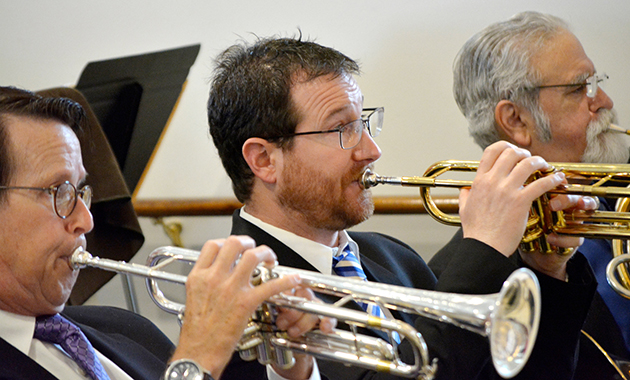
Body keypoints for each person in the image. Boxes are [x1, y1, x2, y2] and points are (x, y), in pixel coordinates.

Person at [207, 35, 598, 380]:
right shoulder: (243, 303)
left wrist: (545, 267)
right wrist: (486, 247)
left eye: (363, 123)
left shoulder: (389, 255)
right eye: (341, 129)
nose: (371, 150)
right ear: (263, 160)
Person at [0, 86, 334, 380]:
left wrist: (291, 369)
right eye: (57, 192)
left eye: (80, 191)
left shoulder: (125, 328)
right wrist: (197, 358)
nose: (85, 221)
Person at [430, 11, 630, 379]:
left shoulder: (622, 191)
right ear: (516, 120)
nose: (603, 100)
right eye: (579, 88)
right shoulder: (464, 277)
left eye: (596, 82)